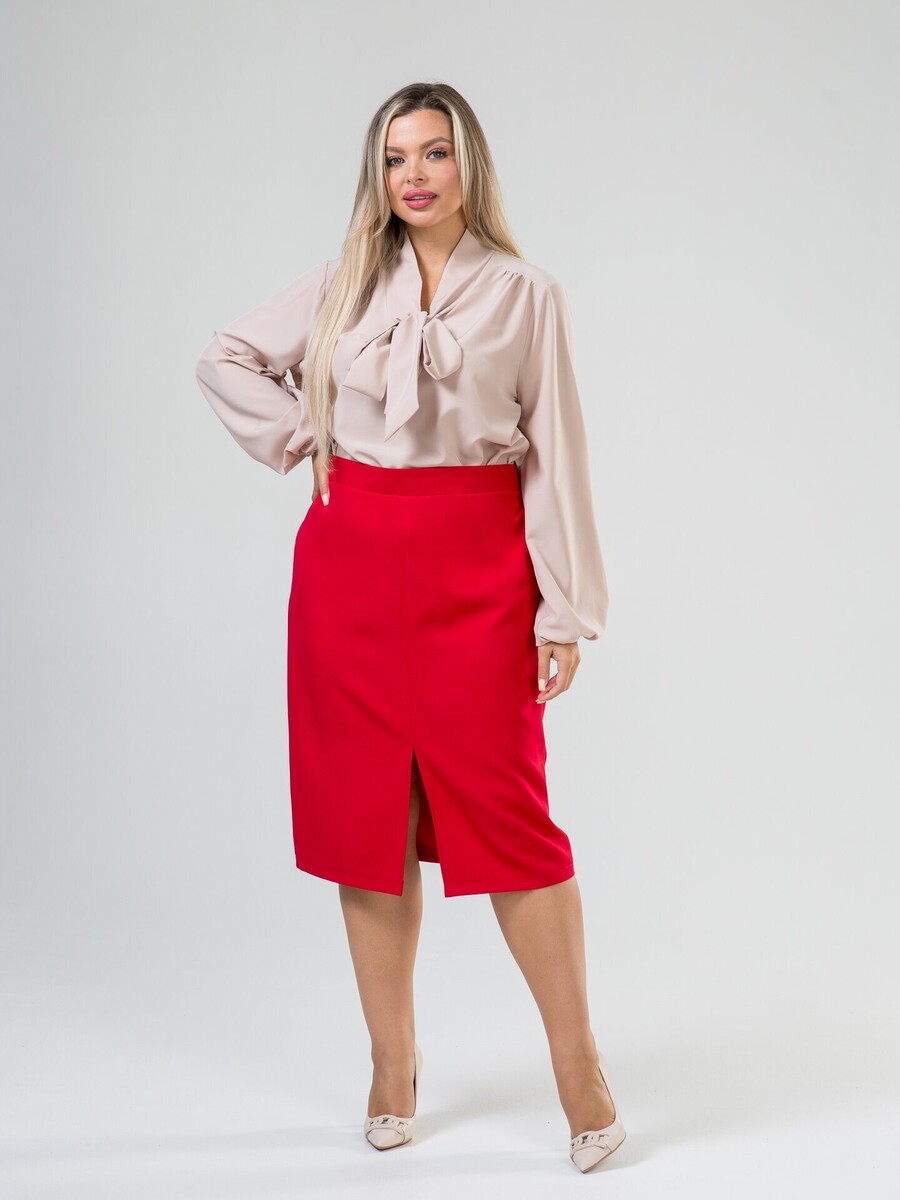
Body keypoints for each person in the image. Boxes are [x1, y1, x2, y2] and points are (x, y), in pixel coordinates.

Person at [194, 81, 625, 1173]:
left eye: (434, 153)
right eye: (396, 158)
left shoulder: (526, 294)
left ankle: (580, 1069)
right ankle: (392, 1065)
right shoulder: (345, 280)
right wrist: (308, 434)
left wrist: (563, 608)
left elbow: (558, 455)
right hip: (347, 571)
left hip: (478, 572)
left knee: (513, 823)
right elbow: (225, 357)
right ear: (377, 176)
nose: (415, 175)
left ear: (468, 164)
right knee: (367, 827)